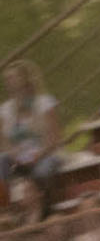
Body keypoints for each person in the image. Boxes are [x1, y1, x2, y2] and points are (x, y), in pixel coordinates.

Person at [1, 61, 63, 209]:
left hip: (45, 153)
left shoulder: (44, 103)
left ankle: (43, 209)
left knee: (42, 171)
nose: (9, 82)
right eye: (7, 79)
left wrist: (37, 155)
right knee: (1, 161)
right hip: (19, 156)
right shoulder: (5, 110)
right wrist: (15, 155)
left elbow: (54, 138)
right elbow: (3, 142)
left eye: (13, 78)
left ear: (24, 79)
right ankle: (5, 208)